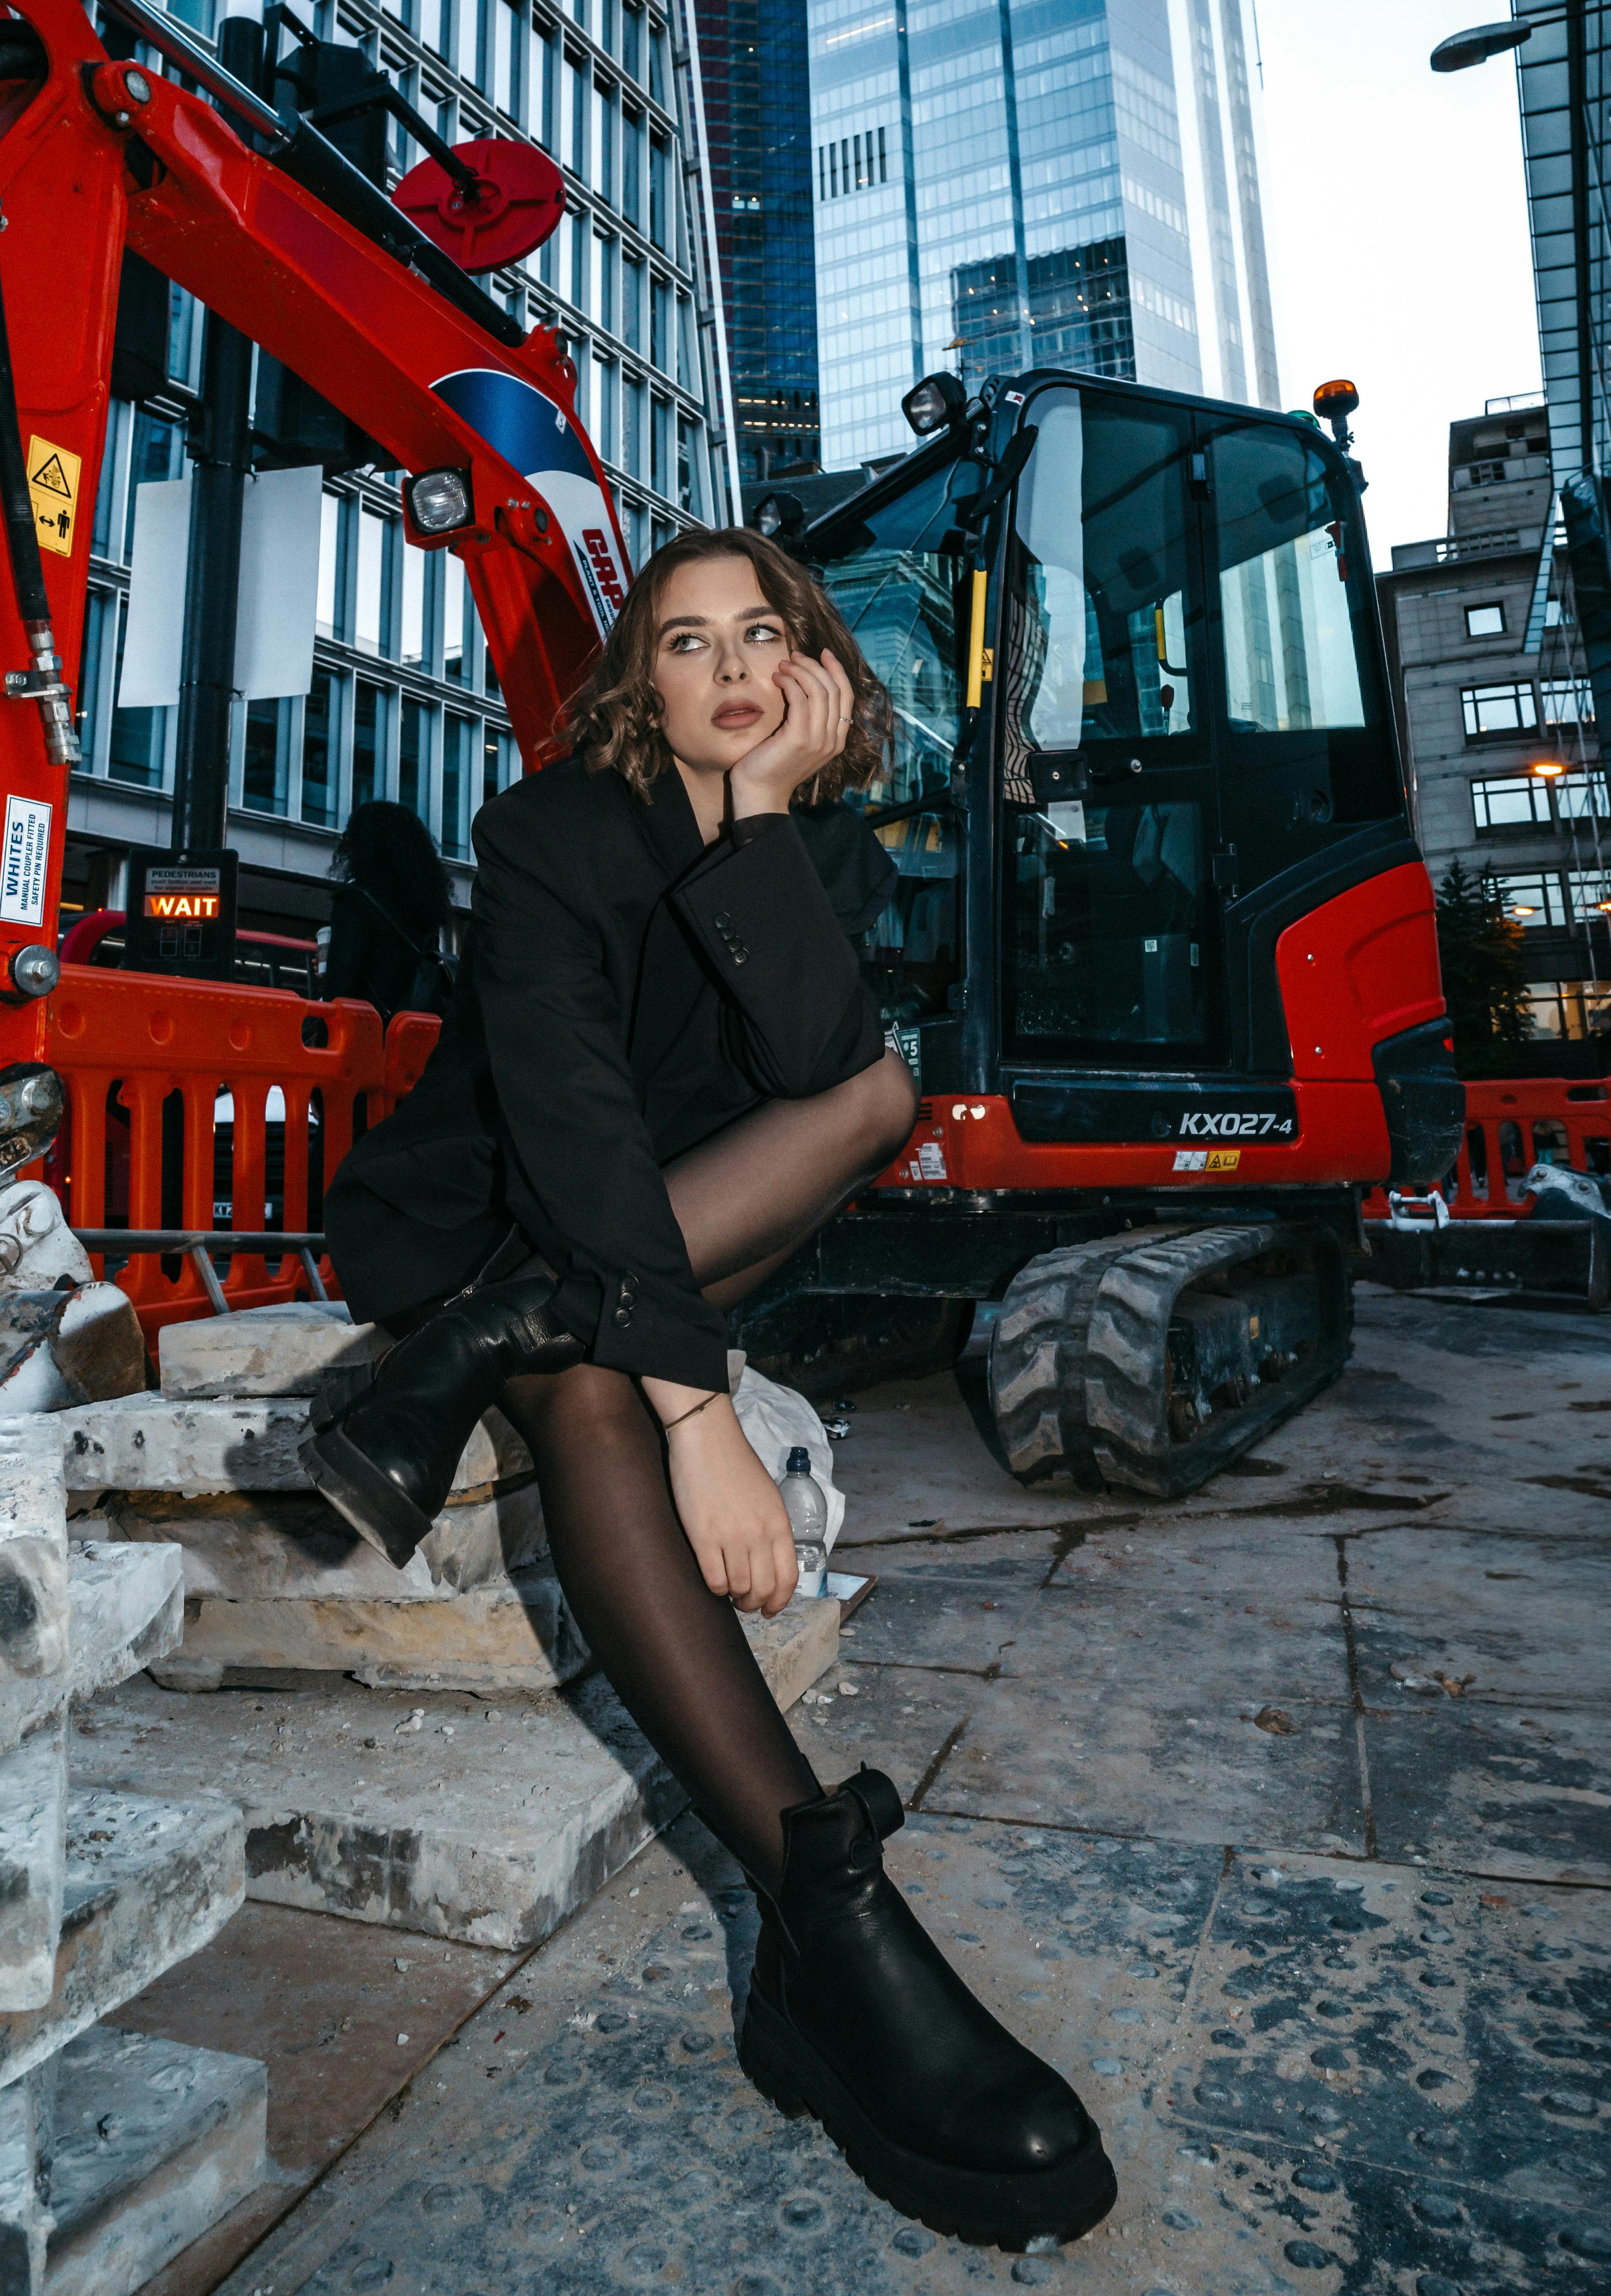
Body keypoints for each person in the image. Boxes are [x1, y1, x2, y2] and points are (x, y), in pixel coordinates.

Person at [306, 527, 1115, 2251]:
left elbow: (822, 1088)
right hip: (496, 1221)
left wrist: (760, 830)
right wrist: (696, 1419)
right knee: (598, 1397)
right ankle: (821, 1896)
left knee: (879, 1097)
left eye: (766, 634)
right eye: (687, 642)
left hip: (651, 1246)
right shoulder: (548, 836)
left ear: (813, 671)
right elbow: (576, 1129)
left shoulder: (825, 857)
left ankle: (511, 1345)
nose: (732, 668)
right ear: (636, 685)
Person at [321, 798, 455, 1021]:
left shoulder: (356, 900)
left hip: (364, 1036)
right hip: (410, 1037)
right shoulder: (424, 907)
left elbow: (341, 989)